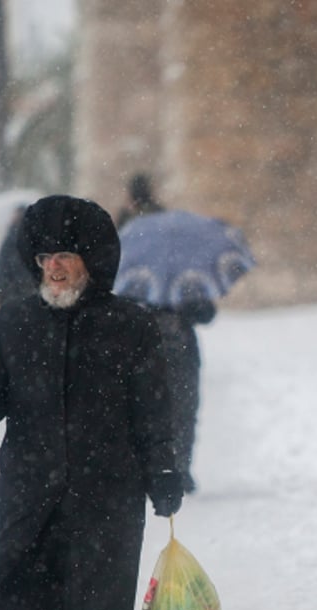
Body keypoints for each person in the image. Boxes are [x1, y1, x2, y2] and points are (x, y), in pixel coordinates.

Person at [0, 194, 184, 610]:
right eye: (45, 259)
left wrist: (164, 471)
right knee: (35, 577)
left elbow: (154, 408)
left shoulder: (130, 326)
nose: (53, 268)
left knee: (103, 582)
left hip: (108, 481)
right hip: (30, 479)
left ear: (90, 262)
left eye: (65, 257)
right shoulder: (13, 322)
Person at [115, 175, 214, 493]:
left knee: (142, 408)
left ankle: (151, 468)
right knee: (182, 409)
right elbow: (206, 312)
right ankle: (179, 468)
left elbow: (116, 301)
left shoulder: (122, 242)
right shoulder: (177, 247)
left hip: (138, 345)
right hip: (180, 344)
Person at [0, 204, 37, 306]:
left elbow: (1, 267)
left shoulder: (10, 238)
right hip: (30, 294)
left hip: (13, 297)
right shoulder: (35, 238)